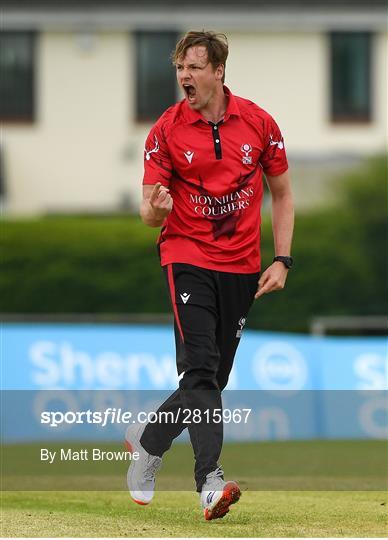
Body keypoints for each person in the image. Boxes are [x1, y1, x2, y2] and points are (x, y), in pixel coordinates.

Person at [125, 30, 294, 520]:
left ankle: (148, 440)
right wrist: (157, 211)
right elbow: (148, 211)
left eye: (195, 67)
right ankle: (209, 483)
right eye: (180, 68)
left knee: (211, 378)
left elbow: (282, 193)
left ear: (219, 71)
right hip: (186, 254)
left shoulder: (259, 123)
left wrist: (282, 258)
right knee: (200, 368)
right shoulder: (165, 129)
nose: (185, 76)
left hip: (241, 265)